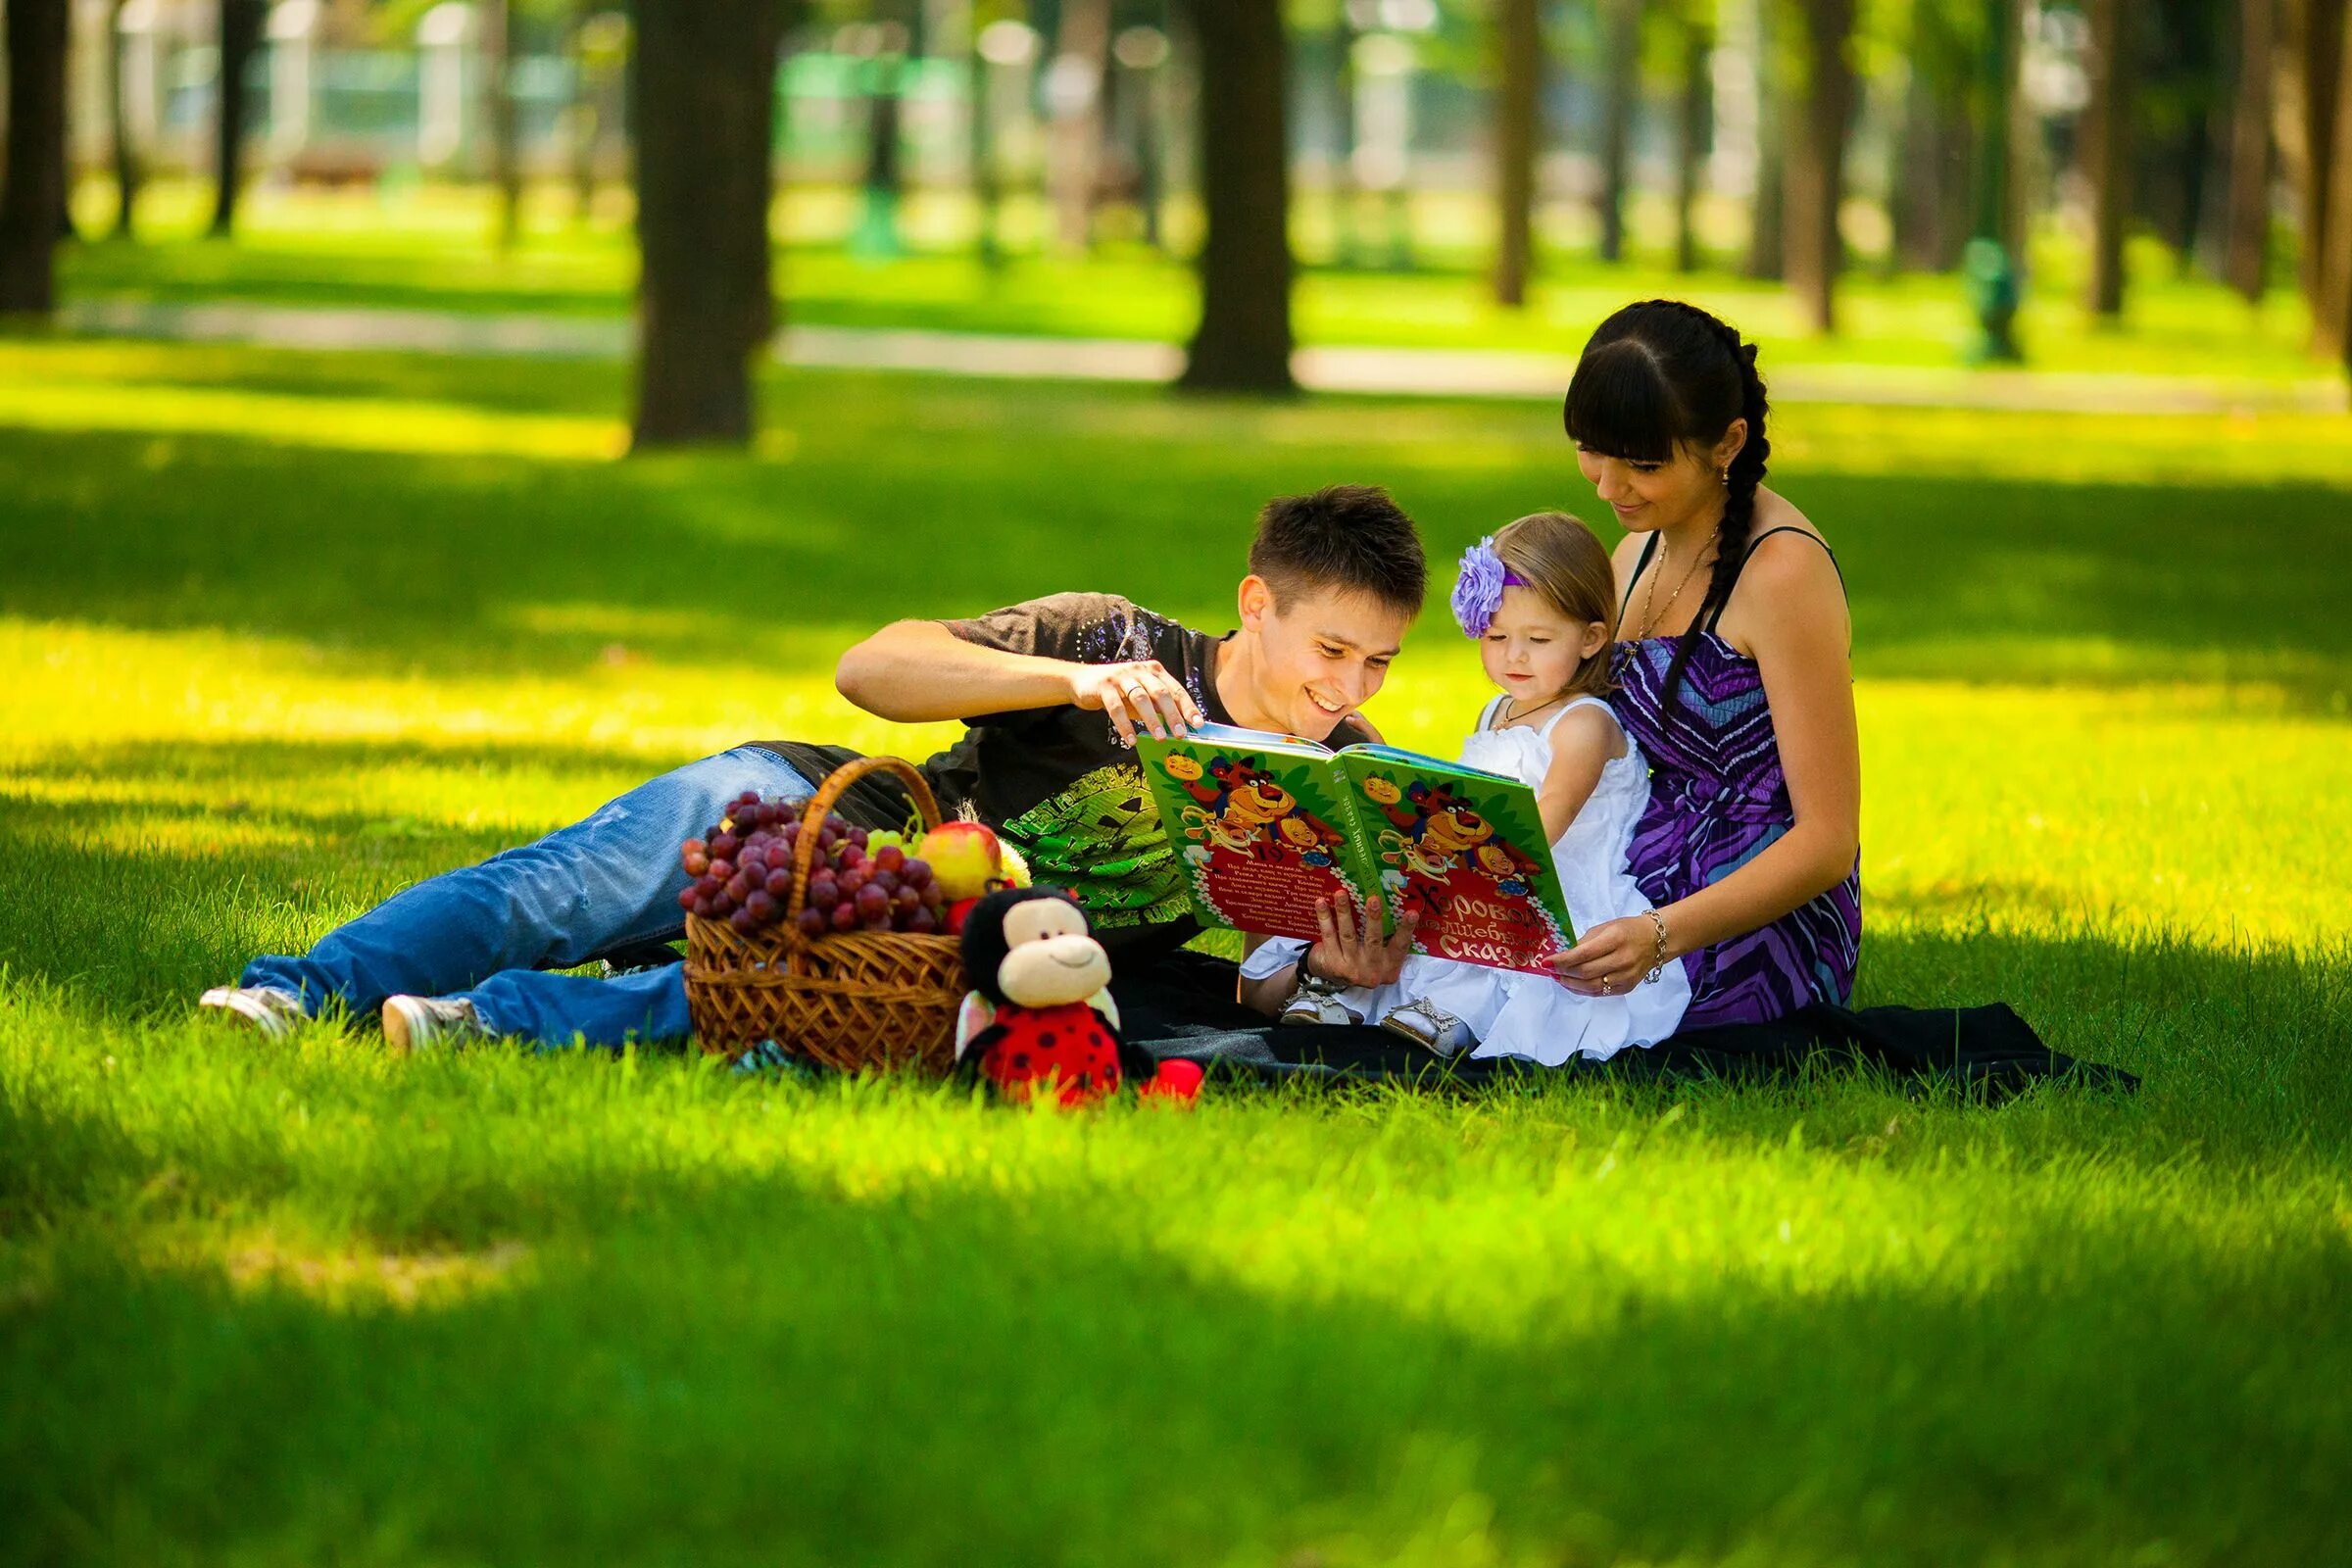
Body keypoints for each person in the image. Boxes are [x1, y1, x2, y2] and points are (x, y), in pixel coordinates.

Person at [198, 486, 1428, 1051]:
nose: (1350, 690)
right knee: (574, 885)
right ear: (1255, 604)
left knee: (822, 1003)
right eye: (1332, 650)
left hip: (979, 951)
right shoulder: (1112, 637)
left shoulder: (1350, 780)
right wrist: (1069, 682)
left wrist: (1318, 975)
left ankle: (477, 1027)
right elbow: (872, 666)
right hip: (861, 816)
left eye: (1379, 663)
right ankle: (302, 990)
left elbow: (1243, 984)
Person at [1235, 512, 1691, 1065]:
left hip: (1539, 883)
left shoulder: (1583, 724)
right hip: (1476, 868)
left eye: (1538, 639)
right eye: (1496, 636)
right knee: (1392, 914)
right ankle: (1348, 994)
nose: (1514, 655)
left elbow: (1546, 819)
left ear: (1592, 639)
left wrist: (1468, 868)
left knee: (1484, 938)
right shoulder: (1495, 711)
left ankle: (1456, 1013)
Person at [1547, 299, 1862, 1026]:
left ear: (1727, 443)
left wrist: (1659, 937)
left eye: (1644, 464)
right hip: (1634, 881)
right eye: (1592, 449)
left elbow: (1826, 840)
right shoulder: (1637, 549)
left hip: (1752, 924)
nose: (1606, 485)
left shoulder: (1782, 571)